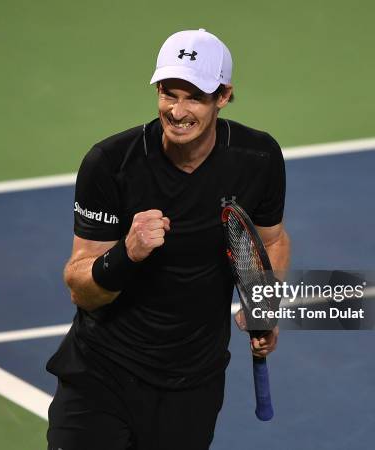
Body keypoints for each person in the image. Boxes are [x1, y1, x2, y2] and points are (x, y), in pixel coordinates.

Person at [46, 28, 290, 450]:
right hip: (102, 373)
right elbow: (81, 290)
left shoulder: (258, 159)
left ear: (223, 96)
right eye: (168, 94)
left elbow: (270, 242)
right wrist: (127, 253)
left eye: (193, 97)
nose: (177, 111)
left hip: (192, 384)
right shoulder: (110, 164)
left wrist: (265, 304)